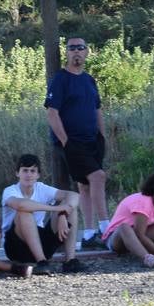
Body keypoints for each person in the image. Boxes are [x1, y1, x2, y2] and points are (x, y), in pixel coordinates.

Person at [46, 36, 110, 252]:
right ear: (67, 53)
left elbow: (97, 109)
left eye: (80, 48)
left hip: (92, 141)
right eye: (72, 48)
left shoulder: (89, 80)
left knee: (85, 186)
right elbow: (52, 112)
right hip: (72, 142)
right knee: (98, 177)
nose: (76, 52)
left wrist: (102, 136)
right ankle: (106, 228)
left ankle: (90, 233)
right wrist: (66, 141)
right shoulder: (60, 79)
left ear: (87, 52)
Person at [0, 154, 84, 274]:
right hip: (16, 246)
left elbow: (74, 195)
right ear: (17, 173)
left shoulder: (41, 188)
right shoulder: (10, 191)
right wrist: (56, 209)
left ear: (38, 175)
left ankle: (70, 261)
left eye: (32, 171)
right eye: (25, 170)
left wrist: (62, 214)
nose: (28, 175)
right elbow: (21, 205)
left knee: (71, 208)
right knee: (24, 212)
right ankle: (42, 263)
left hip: (41, 241)